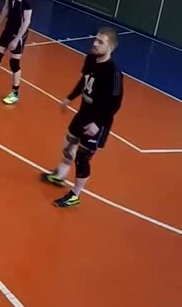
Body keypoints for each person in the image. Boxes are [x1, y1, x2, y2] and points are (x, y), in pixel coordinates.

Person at [41, 28, 124, 208]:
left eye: (101, 42)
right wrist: (70, 97)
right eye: (95, 39)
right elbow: (84, 80)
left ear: (111, 47)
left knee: (82, 156)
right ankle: (60, 175)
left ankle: (75, 195)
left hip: (97, 121)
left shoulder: (114, 73)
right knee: (68, 143)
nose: (95, 43)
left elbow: (115, 104)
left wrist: (98, 124)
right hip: (83, 113)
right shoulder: (90, 59)